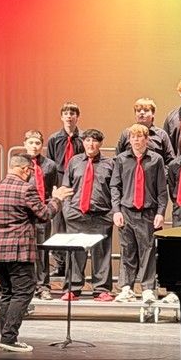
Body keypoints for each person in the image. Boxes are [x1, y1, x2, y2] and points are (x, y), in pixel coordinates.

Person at [0, 154, 72, 352]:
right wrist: (56, 199)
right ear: (25, 170)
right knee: (23, 292)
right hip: (19, 250)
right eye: (30, 171)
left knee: (8, 292)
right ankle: (9, 338)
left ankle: (6, 337)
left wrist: (4, 228)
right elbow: (45, 214)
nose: (30, 175)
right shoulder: (26, 189)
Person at [111, 124, 168, 304]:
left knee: (148, 251)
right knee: (127, 250)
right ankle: (126, 287)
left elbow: (161, 189)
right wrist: (116, 210)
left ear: (147, 139)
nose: (136, 140)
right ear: (129, 139)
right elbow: (115, 186)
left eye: (139, 136)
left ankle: (148, 288)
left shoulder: (156, 159)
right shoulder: (121, 159)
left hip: (148, 212)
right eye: (132, 137)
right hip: (126, 211)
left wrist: (160, 212)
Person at [61, 128, 116, 302]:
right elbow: (66, 188)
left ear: (100, 143)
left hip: (101, 215)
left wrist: (112, 213)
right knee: (76, 253)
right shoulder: (74, 162)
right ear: (83, 142)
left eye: (94, 141)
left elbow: (115, 190)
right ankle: (73, 288)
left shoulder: (110, 164)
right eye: (87, 140)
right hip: (77, 214)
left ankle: (101, 290)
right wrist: (67, 210)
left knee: (102, 254)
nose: (90, 144)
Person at [45, 101, 84, 280]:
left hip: (76, 181)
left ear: (77, 116)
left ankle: (75, 267)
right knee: (58, 224)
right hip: (61, 180)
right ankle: (60, 263)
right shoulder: (54, 139)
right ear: (61, 117)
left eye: (72, 113)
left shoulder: (83, 138)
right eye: (66, 113)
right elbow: (51, 164)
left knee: (75, 223)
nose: (69, 116)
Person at [22, 129, 59, 300]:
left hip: (42, 211)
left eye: (37, 143)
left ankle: (43, 285)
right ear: (25, 144)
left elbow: (52, 189)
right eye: (31, 142)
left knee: (42, 250)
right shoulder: (19, 163)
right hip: (23, 213)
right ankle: (26, 285)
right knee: (24, 250)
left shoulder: (50, 165)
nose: (34, 146)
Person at [115, 97, 175, 166]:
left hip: (155, 175)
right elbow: (117, 158)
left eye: (146, 110)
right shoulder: (127, 133)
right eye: (138, 110)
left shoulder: (161, 135)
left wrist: (162, 174)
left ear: (153, 114)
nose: (142, 113)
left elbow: (170, 160)